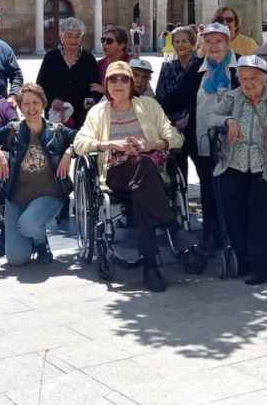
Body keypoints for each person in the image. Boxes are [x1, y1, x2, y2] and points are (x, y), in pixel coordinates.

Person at [73, 61, 184, 292]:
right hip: (115, 173)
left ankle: (151, 265)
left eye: (124, 79)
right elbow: (79, 143)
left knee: (142, 179)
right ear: (106, 84)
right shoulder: (98, 112)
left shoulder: (149, 106)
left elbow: (175, 138)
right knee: (142, 168)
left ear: (132, 83)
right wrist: (109, 144)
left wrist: (151, 144)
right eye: (112, 79)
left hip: (147, 173)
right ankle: (172, 227)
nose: (118, 84)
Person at [205, 54, 267, 286]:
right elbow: (211, 116)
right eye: (243, 78)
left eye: (253, 78)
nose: (248, 83)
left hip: (265, 167)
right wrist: (228, 120)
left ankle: (262, 265)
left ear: (264, 78)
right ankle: (243, 258)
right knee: (234, 211)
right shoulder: (233, 96)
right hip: (234, 163)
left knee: (258, 213)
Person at [0, 82, 75, 266]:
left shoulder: (57, 130)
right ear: (20, 106)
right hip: (16, 198)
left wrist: (69, 151)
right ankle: (33, 234)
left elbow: (82, 139)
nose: (31, 108)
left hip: (49, 195)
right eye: (26, 104)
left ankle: (41, 244)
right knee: (16, 259)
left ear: (43, 103)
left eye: (35, 102)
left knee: (28, 224)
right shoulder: (13, 130)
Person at [170, 21, 239, 251]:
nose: (214, 46)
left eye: (218, 41)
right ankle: (212, 238)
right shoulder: (197, 67)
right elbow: (176, 97)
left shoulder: (239, 66)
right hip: (201, 141)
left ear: (228, 42)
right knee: (209, 190)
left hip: (234, 141)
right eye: (208, 41)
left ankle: (234, 239)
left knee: (231, 191)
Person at [156, 25, 201, 183]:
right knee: (177, 174)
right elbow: (160, 97)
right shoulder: (167, 67)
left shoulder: (201, 65)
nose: (180, 45)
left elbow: (200, 98)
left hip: (196, 125)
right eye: (177, 41)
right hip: (174, 127)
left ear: (193, 43)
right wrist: (169, 123)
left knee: (203, 171)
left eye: (185, 41)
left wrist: (188, 118)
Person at [36, 16, 98, 129]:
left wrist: (91, 99)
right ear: (61, 37)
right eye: (69, 36)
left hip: (82, 118)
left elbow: (96, 86)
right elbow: (40, 86)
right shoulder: (51, 58)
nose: (73, 40)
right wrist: (52, 100)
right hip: (55, 117)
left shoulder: (88, 59)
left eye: (77, 36)